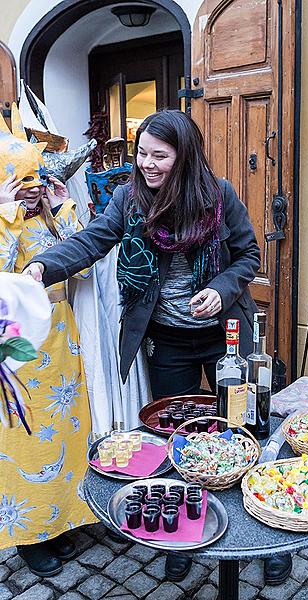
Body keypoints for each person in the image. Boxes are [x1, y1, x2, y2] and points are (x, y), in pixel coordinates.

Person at [24, 109, 292, 585]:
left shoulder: (218, 195)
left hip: (226, 334)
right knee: (178, 439)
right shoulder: (129, 199)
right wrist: (44, 267)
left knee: (247, 427)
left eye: (159, 156)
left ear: (184, 156)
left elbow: (249, 254)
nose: (146, 164)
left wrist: (224, 288)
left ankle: (272, 532)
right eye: (142, 153)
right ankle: (187, 526)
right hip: (167, 341)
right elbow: (92, 241)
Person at [0, 104, 97, 577]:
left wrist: (59, 206)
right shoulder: (7, 219)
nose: (33, 188)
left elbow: (85, 255)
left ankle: (65, 516)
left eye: (38, 179)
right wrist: (7, 211)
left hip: (62, 345)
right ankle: (30, 535)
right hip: (18, 353)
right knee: (28, 439)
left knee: (66, 432)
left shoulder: (47, 216)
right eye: (26, 180)